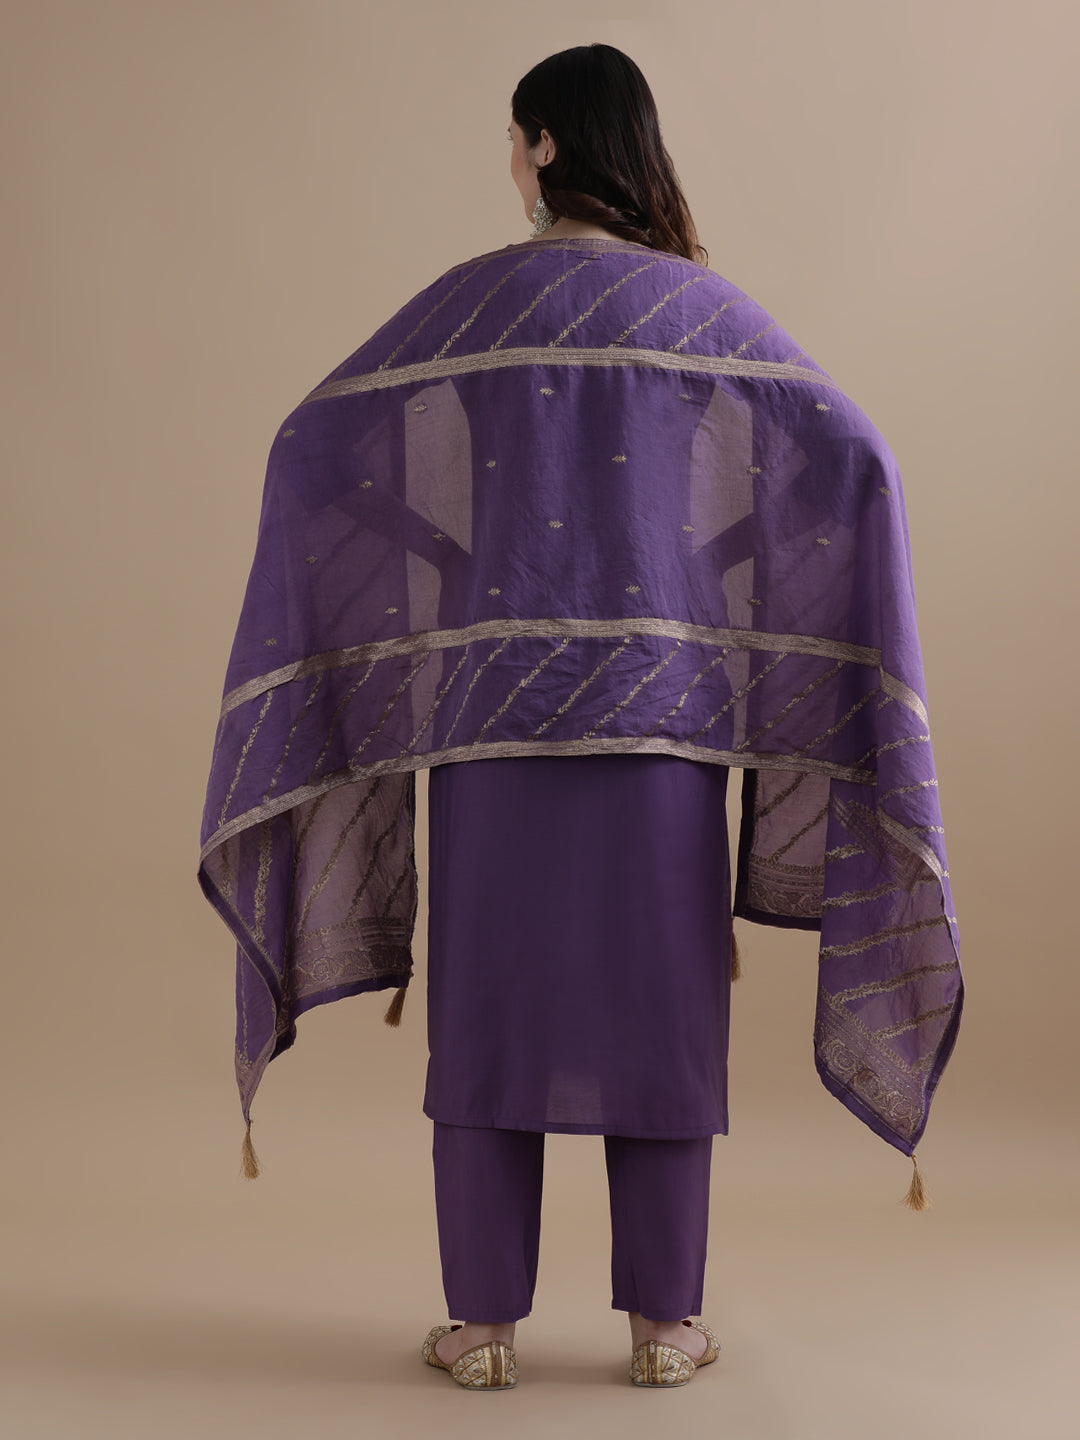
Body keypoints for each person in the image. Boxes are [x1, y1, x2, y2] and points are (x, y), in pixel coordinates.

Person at [197, 43, 962, 1394]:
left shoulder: (469, 306)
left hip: (489, 737)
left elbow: (316, 449)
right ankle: (665, 1328)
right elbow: (851, 459)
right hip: (663, 737)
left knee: (487, 1020)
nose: (508, 161)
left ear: (547, 143)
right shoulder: (701, 314)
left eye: (514, 138)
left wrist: (439, 576)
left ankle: (482, 1329)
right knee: (663, 1023)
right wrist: (715, 591)